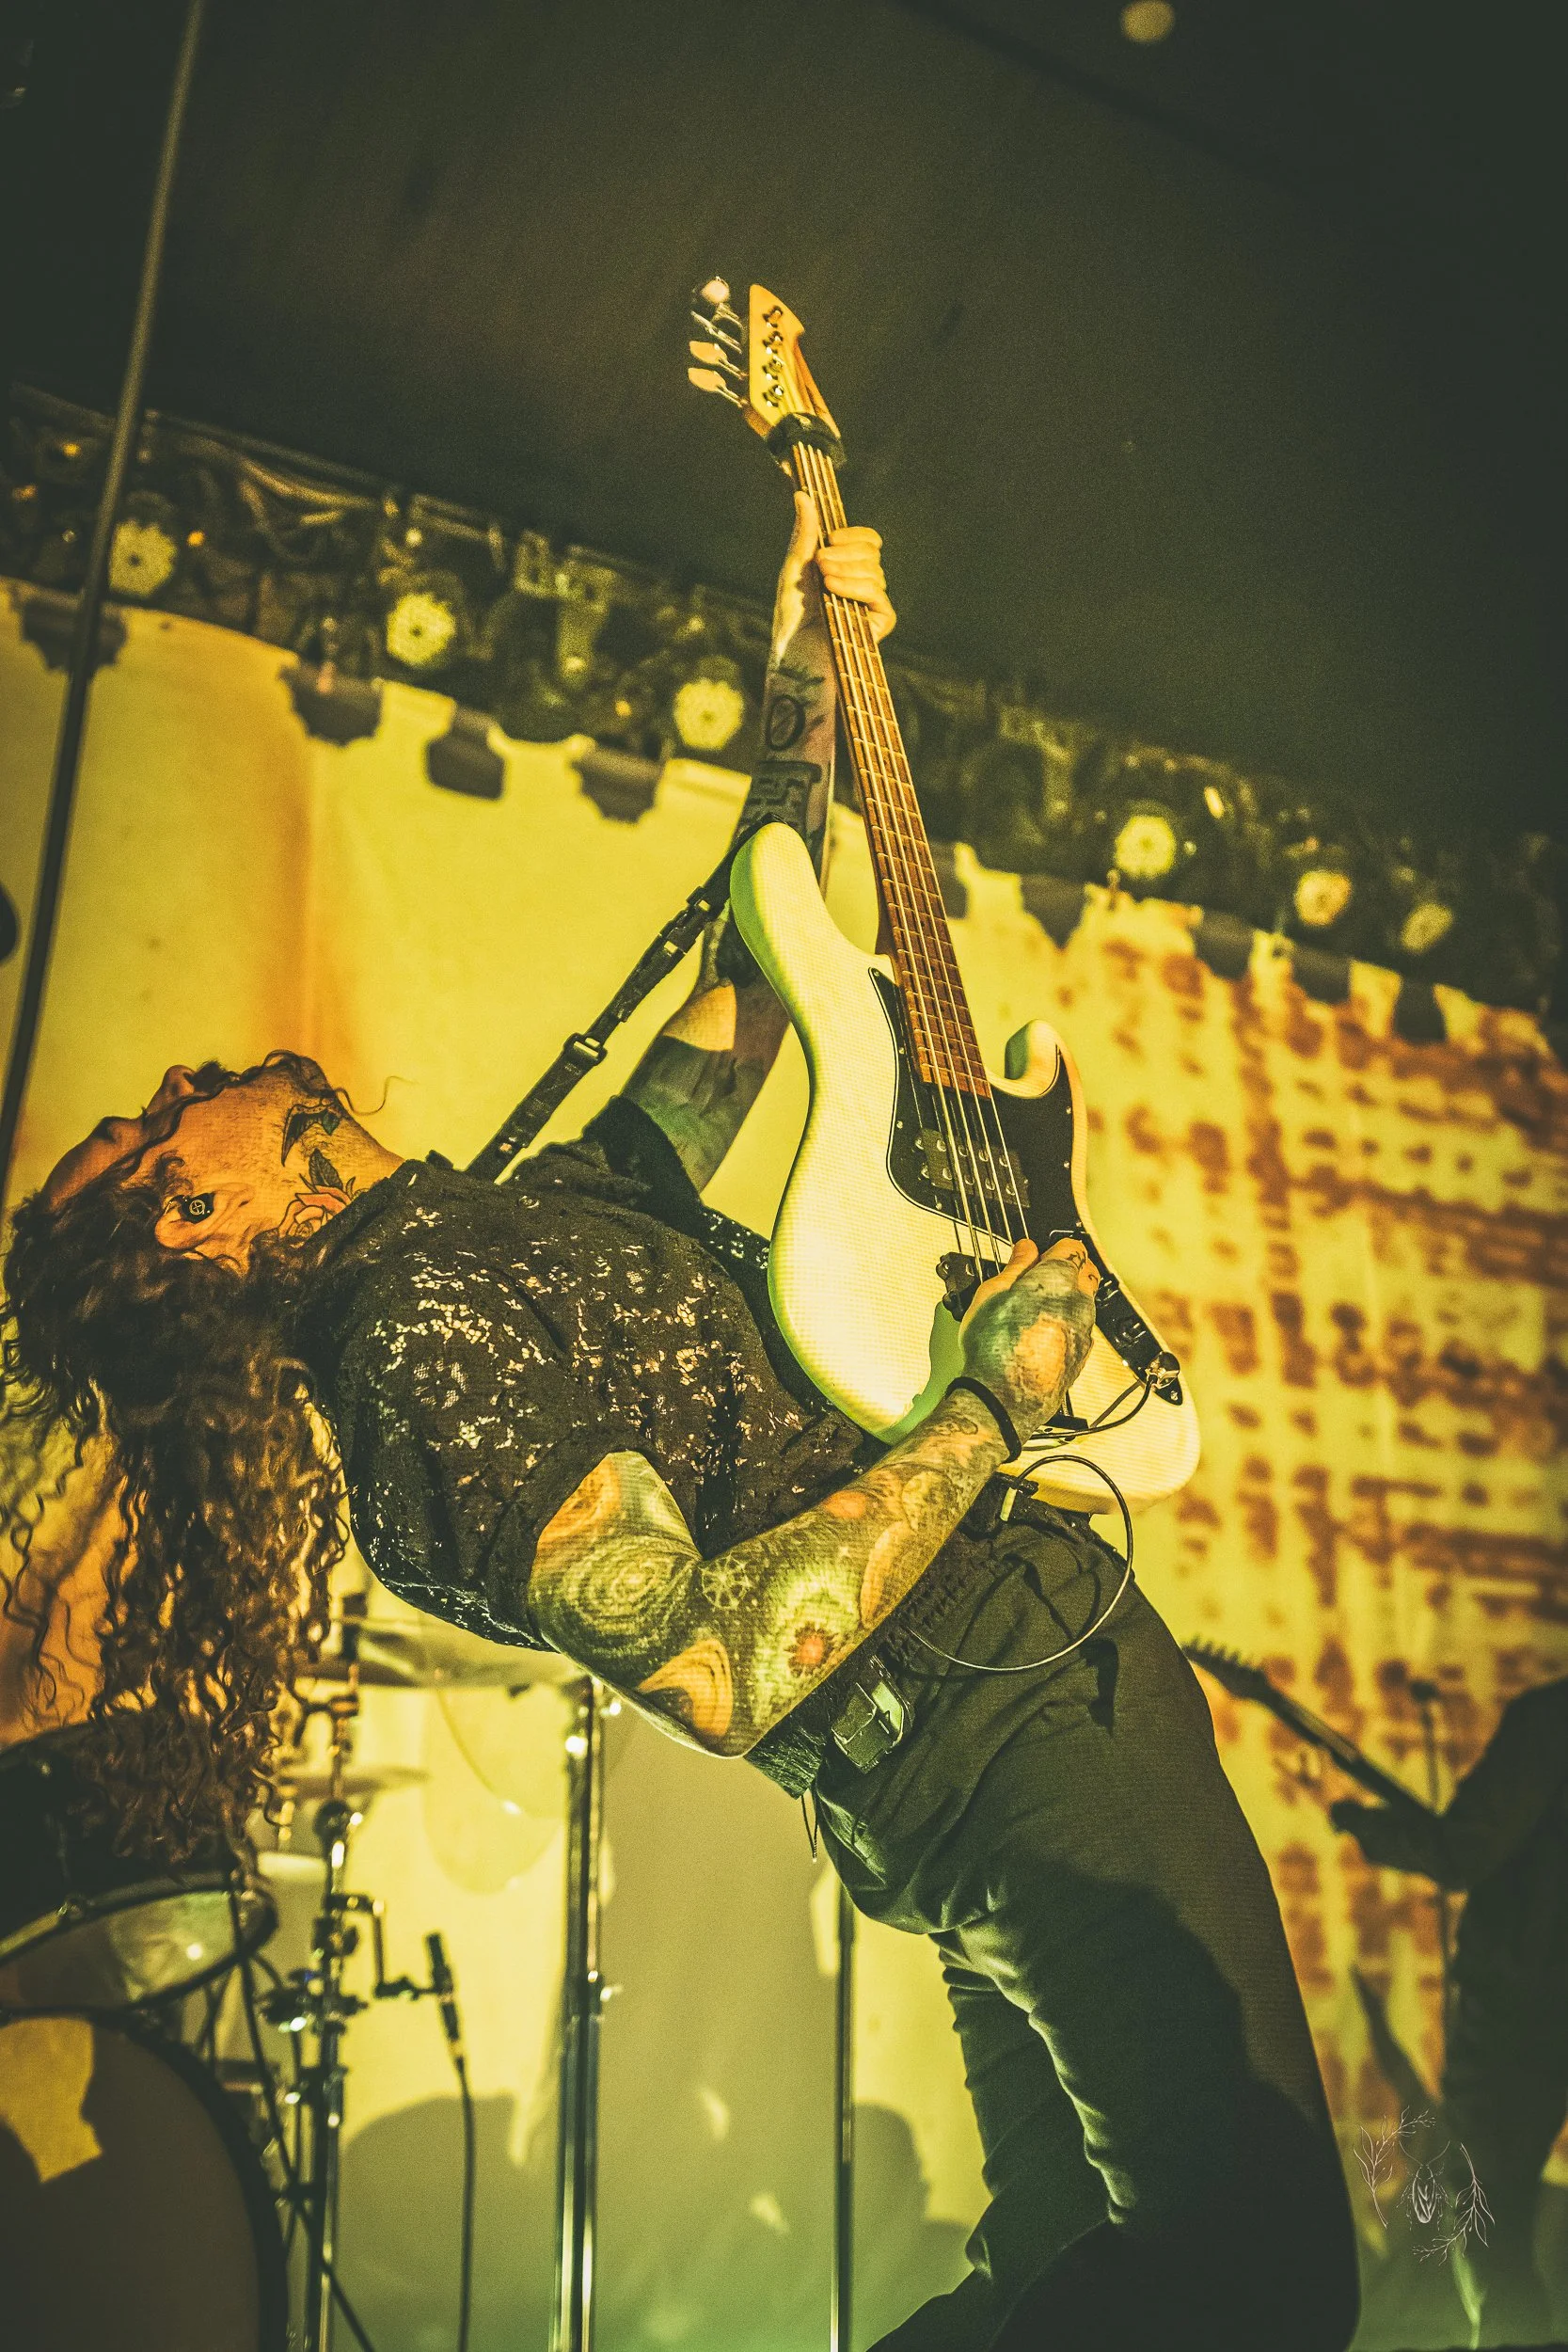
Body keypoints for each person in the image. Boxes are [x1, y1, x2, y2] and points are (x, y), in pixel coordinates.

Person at [4, 495, 1358, 2352]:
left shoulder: (477, 1242)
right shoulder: (406, 1346)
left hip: (989, 1714)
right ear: (188, 1219)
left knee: (1062, 2271)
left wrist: (804, 672)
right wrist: (986, 1407)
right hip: (1000, 1724)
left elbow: (749, 999)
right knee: (1260, 2282)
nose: (188, 1074)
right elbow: (709, 1666)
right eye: (159, 1120)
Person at [1334, 1677, 1568, 2346]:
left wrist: (1362, 1825)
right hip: (1542, 2000)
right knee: (1498, 2202)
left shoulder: (1551, 1717)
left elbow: (1462, 1850)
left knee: (1483, 2206)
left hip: (1520, 1997)